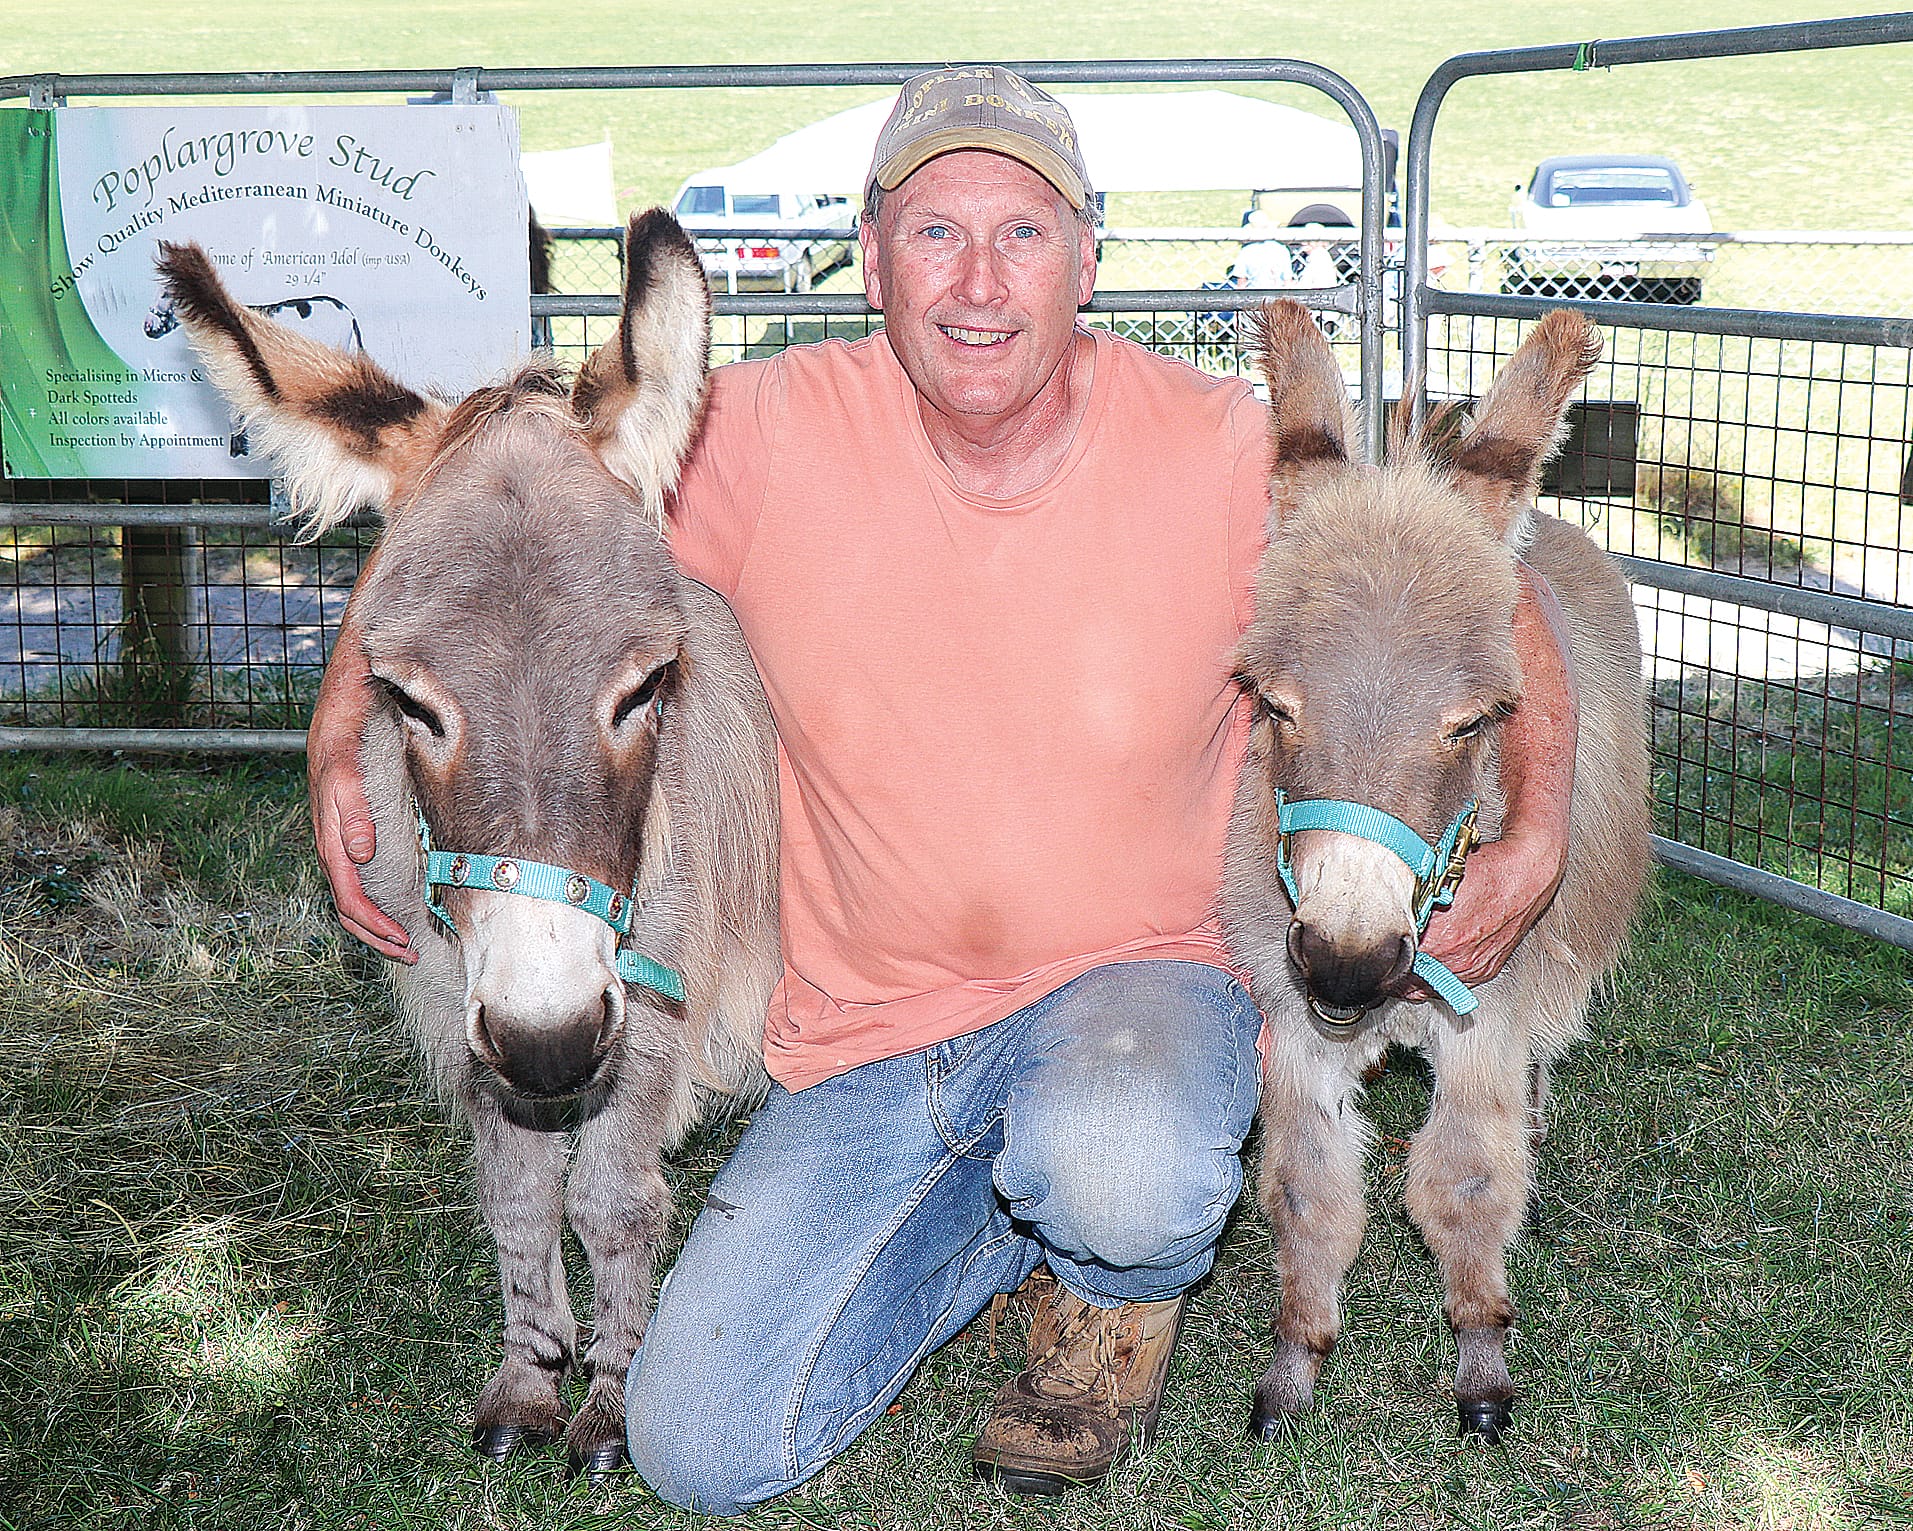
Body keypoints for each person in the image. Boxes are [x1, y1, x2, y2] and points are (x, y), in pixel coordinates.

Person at [303, 66, 1579, 1513]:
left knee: (1122, 1161)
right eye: (932, 233)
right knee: (701, 1449)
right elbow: (479, 509)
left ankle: (1098, 1275)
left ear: (1086, 257)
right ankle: (992, 1226)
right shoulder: (740, 430)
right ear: (867, 249)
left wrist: (1532, 827)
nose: (978, 282)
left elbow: (1475, 584)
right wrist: (341, 720)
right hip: (866, 1038)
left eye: (1023, 234)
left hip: (1133, 999)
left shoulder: (1220, 444)